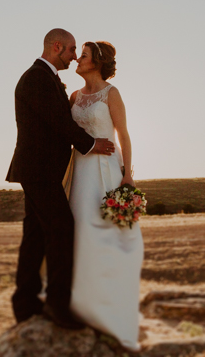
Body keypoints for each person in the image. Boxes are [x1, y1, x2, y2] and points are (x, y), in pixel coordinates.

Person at [6, 28, 116, 330]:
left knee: (35, 234)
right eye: (70, 51)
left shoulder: (46, 77)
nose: (73, 56)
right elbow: (58, 122)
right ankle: (57, 305)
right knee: (61, 228)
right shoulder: (37, 78)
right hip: (39, 170)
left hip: (41, 170)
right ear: (57, 47)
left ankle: (26, 303)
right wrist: (91, 145)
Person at [68, 41, 143, 351]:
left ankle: (114, 302)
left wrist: (127, 174)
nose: (77, 59)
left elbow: (123, 134)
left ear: (96, 62)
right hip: (80, 171)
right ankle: (84, 303)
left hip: (107, 170)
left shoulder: (112, 94)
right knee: (81, 229)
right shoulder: (72, 96)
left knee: (110, 234)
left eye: (83, 55)